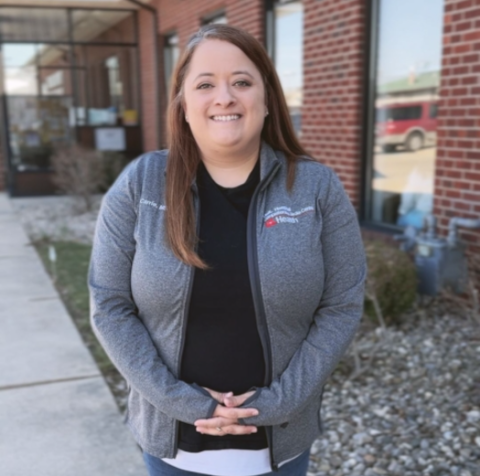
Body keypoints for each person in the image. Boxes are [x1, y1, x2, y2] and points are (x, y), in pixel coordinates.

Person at [88, 24, 366, 476]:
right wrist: (184, 402)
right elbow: (109, 305)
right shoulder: (140, 185)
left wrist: (278, 403)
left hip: (281, 448)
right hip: (172, 452)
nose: (224, 98)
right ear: (182, 104)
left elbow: (341, 305)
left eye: (241, 81)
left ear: (267, 99)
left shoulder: (316, 188)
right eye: (205, 85)